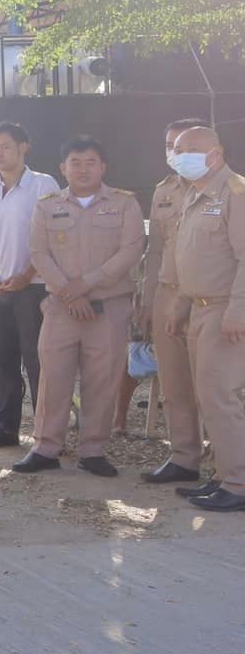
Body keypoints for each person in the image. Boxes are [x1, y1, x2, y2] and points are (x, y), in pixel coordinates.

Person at [10, 136, 145, 477]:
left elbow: (131, 249)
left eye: (90, 162)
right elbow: (39, 253)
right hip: (61, 306)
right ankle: (45, 447)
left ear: (103, 167)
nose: (83, 169)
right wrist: (71, 294)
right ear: (62, 168)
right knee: (53, 377)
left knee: (102, 379)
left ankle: (94, 450)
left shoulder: (125, 203)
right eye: (75, 162)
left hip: (109, 306)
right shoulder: (47, 204)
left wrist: (85, 285)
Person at [156, 126, 245, 511]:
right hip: (200, 308)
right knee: (207, 396)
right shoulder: (195, 194)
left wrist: (237, 312)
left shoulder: (236, 193)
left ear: (217, 153)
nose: (181, 155)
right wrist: (180, 306)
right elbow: (187, 257)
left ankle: (239, 483)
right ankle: (224, 475)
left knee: (221, 397)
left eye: (191, 149)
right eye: (177, 149)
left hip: (226, 310)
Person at [0, 121, 59, 448]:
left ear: (24, 148)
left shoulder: (44, 184)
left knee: (37, 361)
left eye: (5, 146)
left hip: (32, 286)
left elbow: (53, 236)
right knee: (2, 359)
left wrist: (26, 274)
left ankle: (45, 433)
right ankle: (6, 428)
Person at [137, 118, 210, 485]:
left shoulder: (226, 190)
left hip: (209, 298)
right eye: (170, 146)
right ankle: (184, 456)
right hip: (168, 293)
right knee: (175, 383)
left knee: (215, 385)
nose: (175, 153)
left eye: (183, 146)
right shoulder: (163, 191)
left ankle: (229, 464)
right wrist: (148, 300)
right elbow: (154, 251)